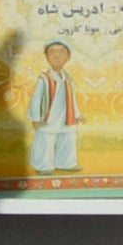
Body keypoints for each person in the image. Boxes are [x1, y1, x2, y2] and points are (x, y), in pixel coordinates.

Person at [28, 41, 81, 174]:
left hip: (65, 114)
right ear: (46, 56)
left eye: (61, 52)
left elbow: (72, 97)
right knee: (46, 138)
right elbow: (36, 99)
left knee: (67, 137)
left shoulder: (67, 77)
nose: (57, 56)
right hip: (49, 116)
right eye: (52, 52)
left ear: (68, 57)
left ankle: (66, 162)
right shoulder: (44, 79)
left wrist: (77, 114)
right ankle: (43, 166)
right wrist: (35, 117)